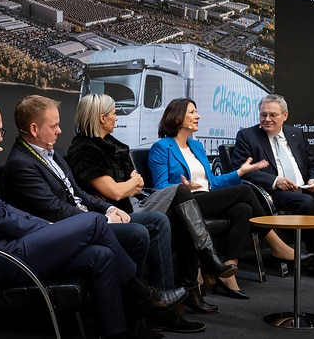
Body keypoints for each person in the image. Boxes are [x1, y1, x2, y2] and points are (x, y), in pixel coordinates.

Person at [0, 98, 186, 339]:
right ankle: (141, 295)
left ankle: (118, 332)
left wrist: (48, 227)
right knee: (94, 223)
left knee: (101, 256)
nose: (0, 137)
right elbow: (1, 220)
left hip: (4, 248)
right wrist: (47, 226)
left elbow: (3, 210)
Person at [1, 95, 195, 336]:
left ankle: (156, 308)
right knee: (137, 233)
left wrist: (108, 209)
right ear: (34, 128)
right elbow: (56, 210)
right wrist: (103, 219)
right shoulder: (22, 164)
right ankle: (138, 310)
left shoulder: (51, 153)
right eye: (54, 126)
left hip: (88, 219)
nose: (60, 131)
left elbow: (78, 193)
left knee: (157, 221)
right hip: (68, 230)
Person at [66, 94, 238, 326]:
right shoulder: (84, 150)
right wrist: (127, 186)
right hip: (117, 212)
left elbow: (133, 183)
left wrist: (127, 186)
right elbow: (116, 192)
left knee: (183, 214)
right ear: (101, 117)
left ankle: (181, 292)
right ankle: (200, 267)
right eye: (115, 113)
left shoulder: (116, 146)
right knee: (180, 193)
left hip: (136, 203)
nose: (117, 118)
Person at [148, 98, 296, 299]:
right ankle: (276, 244)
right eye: (192, 112)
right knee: (244, 192)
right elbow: (159, 187)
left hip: (206, 198)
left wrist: (240, 172)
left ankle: (229, 269)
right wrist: (182, 187)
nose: (198, 116)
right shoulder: (162, 147)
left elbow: (213, 183)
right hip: (184, 204)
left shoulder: (196, 147)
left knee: (243, 209)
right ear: (176, 118)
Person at [231, 94, 314, 280]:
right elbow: (243, 170)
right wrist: (275, 180)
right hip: (275, 193)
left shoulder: (295, 134)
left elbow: (313, 165)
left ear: (285, 115)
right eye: (263, 115)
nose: (267, 119)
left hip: (305, 188)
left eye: (272, 115)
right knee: (305, 202)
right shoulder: (247, 136)